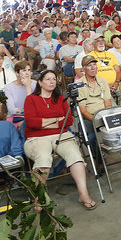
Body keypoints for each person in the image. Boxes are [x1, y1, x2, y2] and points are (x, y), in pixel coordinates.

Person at [23, 70, 98, 210]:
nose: (52, 82)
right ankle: (39, 196)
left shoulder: (61, 99)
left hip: (61, 135)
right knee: (44, 158)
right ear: (40, 82)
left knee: (75, 156)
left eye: (54, 79)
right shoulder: (31, 99)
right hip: (37, 137)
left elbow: (68, 121)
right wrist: (57, 119)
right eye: (48, 79)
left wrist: (44, 122)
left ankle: (84, 194)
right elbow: (32, 122)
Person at [76, 56, 121, 168]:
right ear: (83, 69)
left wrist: (108, 120)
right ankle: (99, 159)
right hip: (90, 117)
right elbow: (83, 111)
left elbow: (108, 104)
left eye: (94, 64)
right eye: (89, 65)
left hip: (106, 114)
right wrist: (97, 121)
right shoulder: (79, 85)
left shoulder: (102, 81)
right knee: (91, 136)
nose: (93, 68)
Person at [4, 60, 36, 124]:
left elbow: (36, 106)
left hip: (33, 117)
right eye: (24, 70)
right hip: (15, 118)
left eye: (29, 70)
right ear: (17, 73)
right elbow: (12, 109)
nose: (27, 73)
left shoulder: (36, 84)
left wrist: (28, 86)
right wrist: (27, 111)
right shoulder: (9, 87)